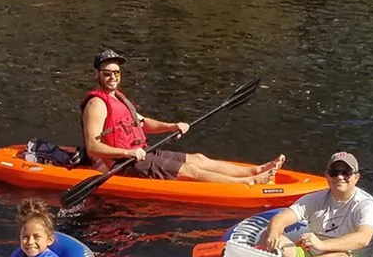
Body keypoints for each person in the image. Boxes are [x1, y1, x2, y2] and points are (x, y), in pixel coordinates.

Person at [81, 49, 285, 185]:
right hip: (121, 164)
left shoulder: (118, 98)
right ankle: (247, 183)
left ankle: (253, 171)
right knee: (189, 170)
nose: (113, 77)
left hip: (139, 154)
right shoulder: (96, 104)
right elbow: (93, 147)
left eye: (117, 73)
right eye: (107, 73)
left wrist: (172, 126)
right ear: (96, 74)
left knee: (198, 158)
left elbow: (142, 123)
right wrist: (129, 153)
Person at [262, 151, 373, 257]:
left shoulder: (365, 204)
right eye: (334, 172)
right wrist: (273, 234)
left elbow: (363, 238)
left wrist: (322, 245)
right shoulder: (314, 199)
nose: (339, 177)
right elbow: (281, 218)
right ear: (327, 175)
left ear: (356, 177)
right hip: (310, 255)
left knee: (341, 256)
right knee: (269, 234)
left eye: (346, 173)